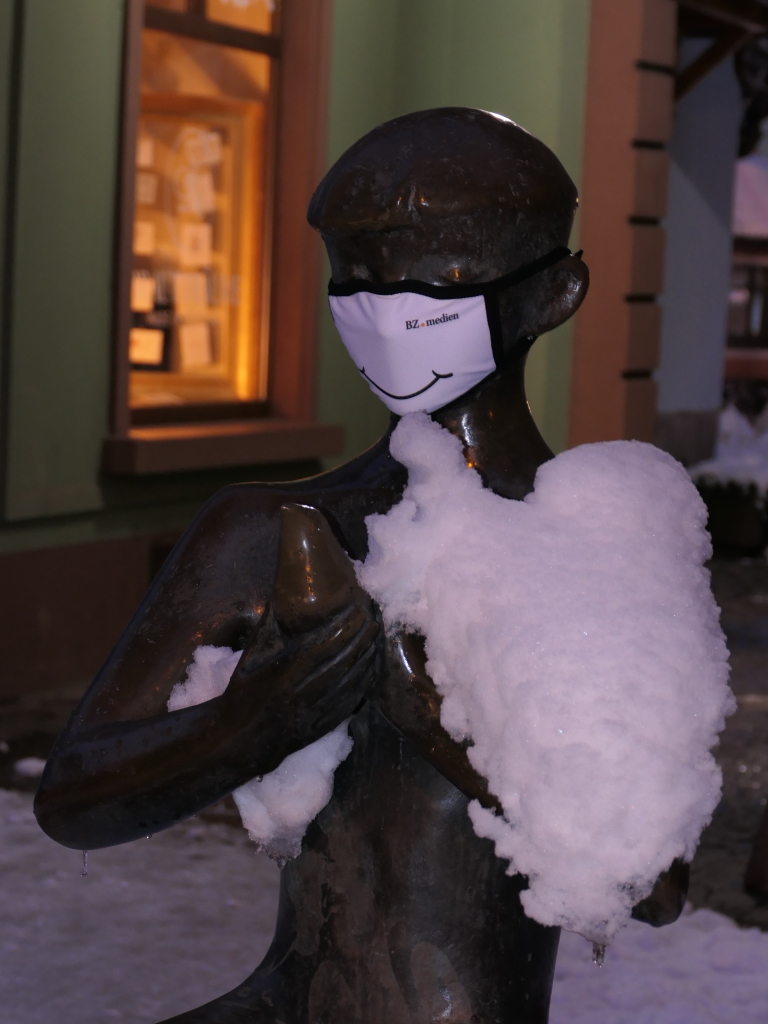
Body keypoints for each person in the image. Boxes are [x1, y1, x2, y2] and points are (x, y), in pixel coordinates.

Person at [35, 108, 684, 1024]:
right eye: (358, 285)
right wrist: (258, 719)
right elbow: (74, 799)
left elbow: (651, 883)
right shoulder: (273, 526)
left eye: (436, 288)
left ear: (554, 296)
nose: (388, 320)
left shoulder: (594, 539)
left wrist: (441, 724)